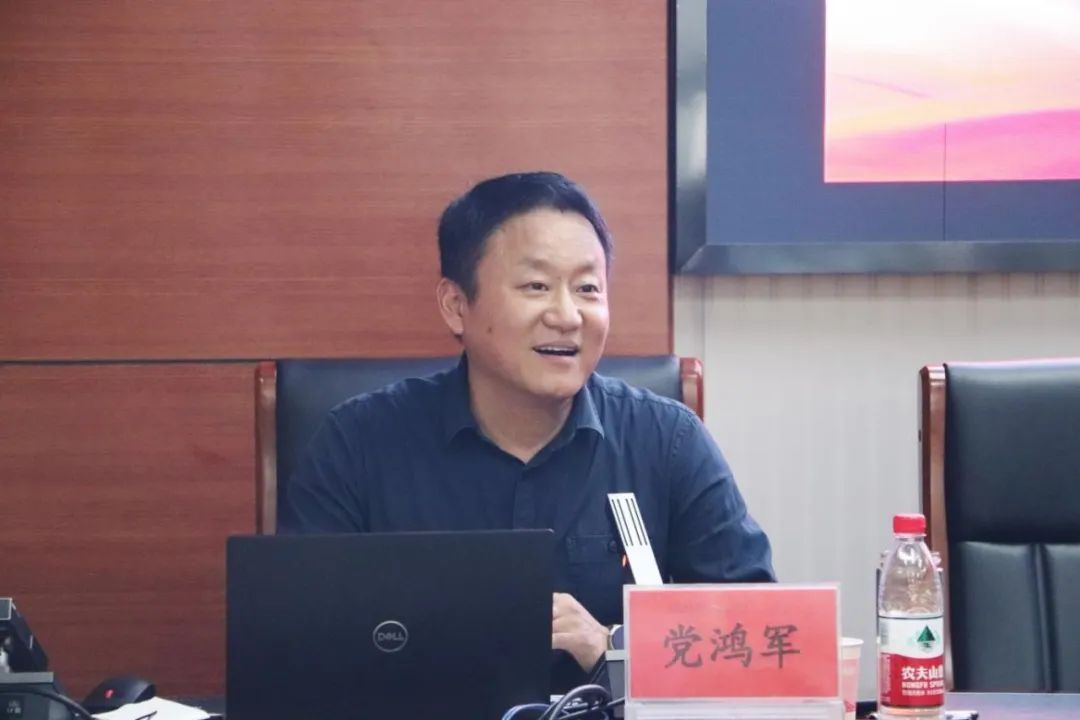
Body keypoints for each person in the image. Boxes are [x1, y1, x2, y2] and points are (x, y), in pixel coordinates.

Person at [282, 171, 775, 690]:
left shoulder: (667, 441)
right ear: (456, 306)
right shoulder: (357, 445)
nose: (567, 316)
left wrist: (610, 647)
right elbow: (296, 645)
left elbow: (757, 643)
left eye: (587, 288)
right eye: (536, 286)